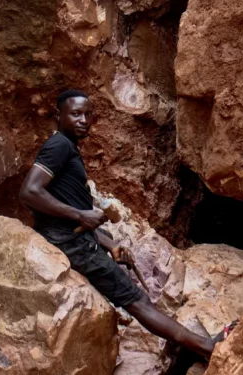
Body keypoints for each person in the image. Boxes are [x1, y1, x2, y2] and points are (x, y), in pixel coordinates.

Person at [19, 90, 231, 362]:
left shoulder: (68, 146)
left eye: (87, 114)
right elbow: (29, 192)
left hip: (75, 238)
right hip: (70, 243)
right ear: (58, 116)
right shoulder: (58, 146)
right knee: (137, 301)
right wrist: (81, 215)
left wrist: (110, 244)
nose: (83, 120)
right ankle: (207, 348)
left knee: (111, 243)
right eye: (75, 114)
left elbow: (63, 201)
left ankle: (190, 347)